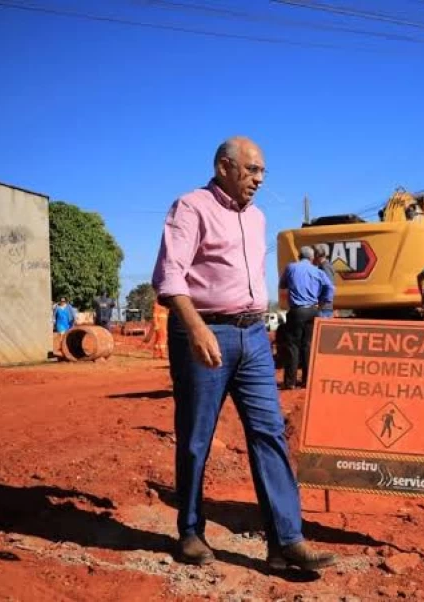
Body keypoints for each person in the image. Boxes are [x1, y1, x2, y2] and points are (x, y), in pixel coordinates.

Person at [151, 136, 337, 571]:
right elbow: (169, 276)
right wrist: (195, 327)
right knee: (197, 439)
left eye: (262, 172)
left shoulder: (257, 219)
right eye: (252, 170)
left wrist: (262, 328)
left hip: (253, 335)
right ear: (223, 167)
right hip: (205, 331)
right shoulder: (191, 207)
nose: (259, 179)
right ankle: (191, 531)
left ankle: (285, 542)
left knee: (269, 433)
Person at [278, 246, 334, 389]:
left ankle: (290, 382)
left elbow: (282, 284)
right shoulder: (317, 271)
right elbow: (330, 287)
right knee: (308, 346)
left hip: (297, 311)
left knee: (293, 346)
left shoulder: (291, 267)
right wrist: (322, 302)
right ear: (311, 258)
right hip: (313, 310)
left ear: (298, 256)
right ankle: (307, 381)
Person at [313, 243, 336, 318]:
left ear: (317, 255)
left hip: (324, 309)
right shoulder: (324, 266)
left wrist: (321, 305)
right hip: (324, 308)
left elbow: (329, 287)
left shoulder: (324, 267)